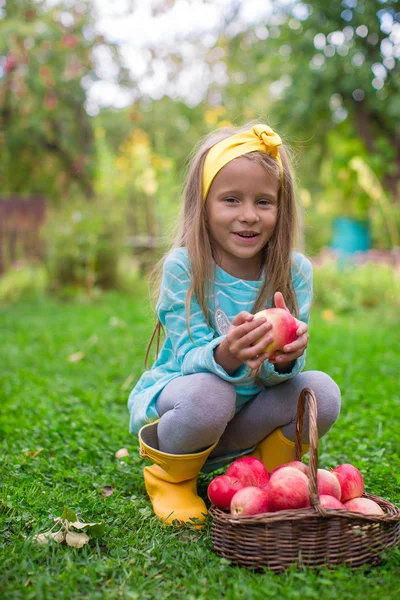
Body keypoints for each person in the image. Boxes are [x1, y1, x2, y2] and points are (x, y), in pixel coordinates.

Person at [128, 122, 341, 526]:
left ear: (282, 207)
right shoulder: (185, 268)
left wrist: (285, 359)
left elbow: (284, 378)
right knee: (213, 394)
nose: (249, 215)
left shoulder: (293, 271)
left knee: (322, 393)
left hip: (247, 420)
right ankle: (171, 476)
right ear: (203, 204)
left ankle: (262, 472)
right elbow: (189, 355)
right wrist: (225, 353)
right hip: (191, 409)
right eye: (231, 199)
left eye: (264, 201)